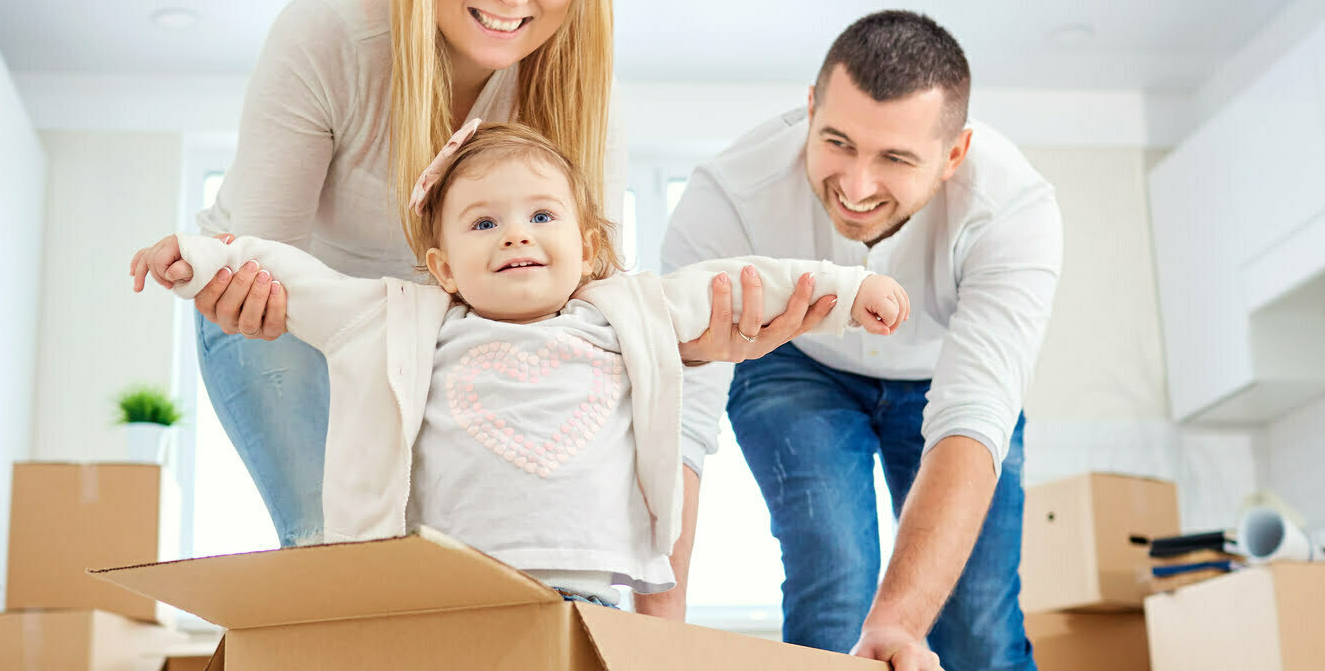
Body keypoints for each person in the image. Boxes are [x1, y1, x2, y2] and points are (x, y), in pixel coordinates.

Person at [128, 0, 837, 572]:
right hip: (290, 315)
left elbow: (589, 298)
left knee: (461, 559)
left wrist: (690, 347)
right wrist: (233, 281)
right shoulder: (332, 31)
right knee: (337, 552)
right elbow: (268, 259)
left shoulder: (581, 89)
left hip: (444, 330)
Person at [661, 11, 1062, 671]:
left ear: (954, 151)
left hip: (945, 382)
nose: (854, 181)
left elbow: (970, 420)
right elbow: (675, 417)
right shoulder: (724, 195)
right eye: (834, 140)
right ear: (808, 107)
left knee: (971, 628)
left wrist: (905, 618)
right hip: (793, 363)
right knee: (835, 584)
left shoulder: (1012, 209)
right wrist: (657, 629)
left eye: (894, 156)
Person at [135, 121, 908, 605]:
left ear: (588, 248)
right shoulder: (403, 321)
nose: (515, 234)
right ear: (441, 266)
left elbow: (736, 282)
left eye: (542, 215)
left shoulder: (626, 310)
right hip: (448, 600)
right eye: (483, 221)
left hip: (587, 596)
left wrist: (849, 286)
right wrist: (198, 255)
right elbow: (292, 276)